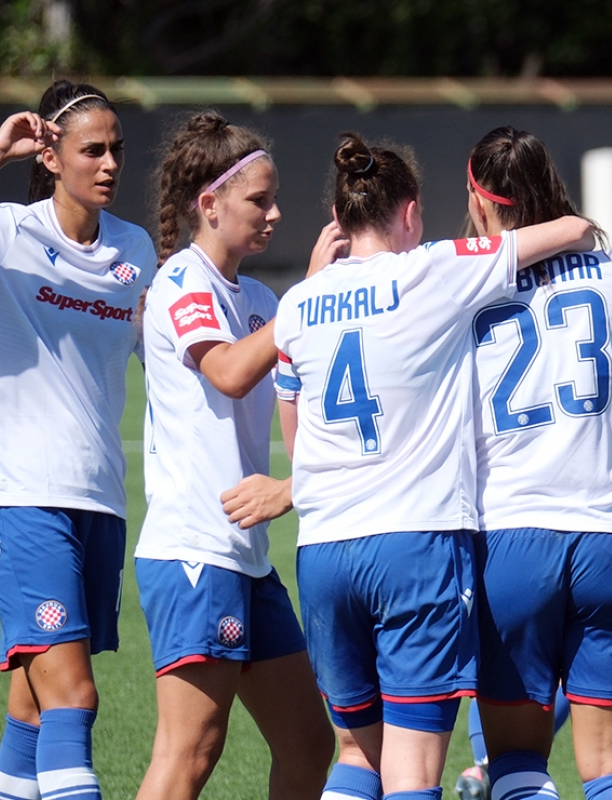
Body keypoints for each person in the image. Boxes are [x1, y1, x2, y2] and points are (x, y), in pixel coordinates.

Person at [272, 132, 594, 800]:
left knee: (357, 755)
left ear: (341, 218)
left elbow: (295, 429)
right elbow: (566, 230)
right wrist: (584, 226)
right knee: (414, 769)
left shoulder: (297, 304)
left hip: (325, 547)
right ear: (410, 213)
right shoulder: (433, 268)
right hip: (414, 542)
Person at [0, 80, 156, 800]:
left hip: (98, 500)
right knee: (74, 696)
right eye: (92, 150)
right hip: (21, 501)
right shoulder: (6, 231)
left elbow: (163, 351)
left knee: (32, 709)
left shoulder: (133, 249)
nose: (109, 164)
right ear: (52, 155)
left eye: (116, 149)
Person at [459, 126, 612, 800]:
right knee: (611, 764)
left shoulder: (457, 280)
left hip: (509, 539)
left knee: (517, 764)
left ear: (479, 199)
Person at [131, 111, 345, 800]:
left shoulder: (255, 297)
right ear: (210, 204)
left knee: (309, 745)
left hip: (247, 558)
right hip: (195, 549)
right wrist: (306, 300)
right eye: (260, 199)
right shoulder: (183, 283)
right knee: (189, 752)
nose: (275, 213)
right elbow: (225, 371)